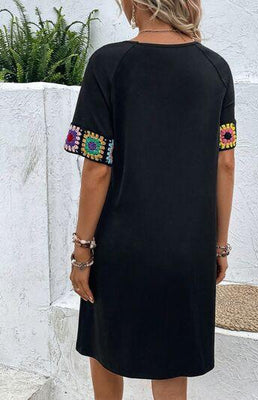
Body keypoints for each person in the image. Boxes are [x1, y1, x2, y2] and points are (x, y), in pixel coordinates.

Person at [64, 1, 237, 399]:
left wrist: (82, 253)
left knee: (105, 350)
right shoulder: (215, 69)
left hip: (122, 248)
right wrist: (219, 246)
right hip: (188, 250)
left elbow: (97, 169)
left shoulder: (108, 63)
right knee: (171, 364)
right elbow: (224, 163)